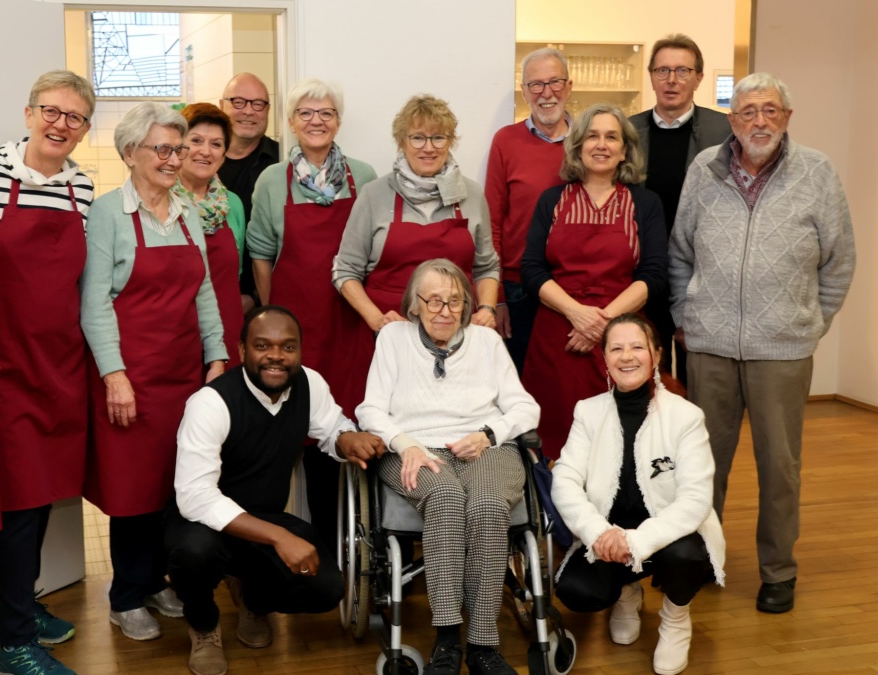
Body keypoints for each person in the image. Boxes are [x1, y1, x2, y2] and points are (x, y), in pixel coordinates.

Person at [669, 73, 855, 614]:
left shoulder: (817, 172)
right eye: (748, 111)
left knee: (780, 467)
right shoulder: (704, 168)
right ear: (732, 120)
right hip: (710, 346)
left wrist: (810, 324)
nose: (759, 121)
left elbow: (839, 260)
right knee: (704, 462)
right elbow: (680, 251)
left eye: (770, 110)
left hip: (784, 349)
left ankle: (778, 571)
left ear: (787, 117)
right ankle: (703, 556)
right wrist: (686, 314)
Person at [167, 305, 386, 675]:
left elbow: (332, 427)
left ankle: (252, 600)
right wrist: (279, 537)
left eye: (288, 347)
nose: (276, 357)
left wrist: (348, 440)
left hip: (265, 514)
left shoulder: (309, 383)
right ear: (241, 351)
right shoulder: (210, 403)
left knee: (326, 589)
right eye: (263, 346)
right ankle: (203, 626)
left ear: (299, 350)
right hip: (202, 522)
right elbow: (195, 497)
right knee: (193, 552)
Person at [0, 69, 96, 675]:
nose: (59, 124)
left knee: (42, 497)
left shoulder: (84, 190)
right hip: (5, 370)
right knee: (15, 507)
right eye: (51, 110)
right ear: (27, 113)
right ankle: (14, 644)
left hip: (60, 367)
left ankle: (23, 602)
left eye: (74, 117)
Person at [80, 101, 227, 641]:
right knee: (131, 491)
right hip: (132, 377)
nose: (173, 159)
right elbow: (94, 303)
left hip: (184, 375)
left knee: (175, 484)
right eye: (161, 149)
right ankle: (125, 594)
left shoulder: (188, 211)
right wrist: (114, 375)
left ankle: (158, 579)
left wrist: (217, 358)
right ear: (130, 154)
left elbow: (205, 291)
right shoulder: (108, 214)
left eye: (177, 148)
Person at [356, 259, 540, 675]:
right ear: (414, 305)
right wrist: (405, 444)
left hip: (483, 446)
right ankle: (446, 638)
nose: (444, 310)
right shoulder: (393, 338)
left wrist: (490, 434)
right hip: (413, 447)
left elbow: (526, 407)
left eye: (455, 301)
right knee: (445, 497)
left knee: (490, 505)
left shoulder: (486, 342)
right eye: (434, 301)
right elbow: (371, 409)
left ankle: (482, 645)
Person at [552, 313, 725, 675]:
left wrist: (636, 542)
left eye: (637, 347)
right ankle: (627, 592)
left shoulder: (686, 417)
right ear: (605, 358)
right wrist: (599, 534)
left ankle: (676, 618)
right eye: (616, 348)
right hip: (609, 530)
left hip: (668, 531)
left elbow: (695, 500)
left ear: (657, 355)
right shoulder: (588, 411)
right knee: (577, 591)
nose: (626, 356)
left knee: (687, 556)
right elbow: (565, 480)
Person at [247, 78, 377, 553]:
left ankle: (347, 546)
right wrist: (271, 315)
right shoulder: (271, 179)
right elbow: (261, 252)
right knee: (285, 437)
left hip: (348, 326)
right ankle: (278, 548)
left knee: (346, 434)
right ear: (291, 121)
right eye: (305, 112)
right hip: (291, 332)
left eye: (325, 113)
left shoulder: (364, 176)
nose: (316, 121)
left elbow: (373, 252)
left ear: (338, 121)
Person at [520, 103, 668, 460]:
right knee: (556, 440)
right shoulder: (552, 200)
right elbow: (531, 269)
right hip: (558, 337)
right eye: (592, 136)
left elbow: (655, 274)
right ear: (578, 146)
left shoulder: (644, 203)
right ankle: (555, 514)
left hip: (624, 339)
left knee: (620, 443)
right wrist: (577, 314)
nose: (601, 145)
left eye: (611, 137)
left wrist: (603, 323)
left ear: (624, 150)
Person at [334, 94, 500, 332]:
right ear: (402, 142)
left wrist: (486, 309)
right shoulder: (374, 194)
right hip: (386, 334)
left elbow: (487, 267)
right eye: (418, 138)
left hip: (454, 333)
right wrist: (376, 319)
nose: (429, 148)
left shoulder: (471, 194)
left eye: (438, 138)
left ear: (450, 141)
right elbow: (345, 270)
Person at [630, 34, 732, 387]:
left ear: (699, 77)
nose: (671, 80)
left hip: (702, 272)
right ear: (651, 75)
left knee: (700, 377)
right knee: (646, 369)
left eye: (682, 70)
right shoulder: (628, 132)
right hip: (644, 271)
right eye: (663, 70)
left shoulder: (725, 132)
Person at [485, 47, 572, 375]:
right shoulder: (505, 141)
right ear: (524, 91)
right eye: (536, 84)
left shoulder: (589, 142)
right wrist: (498, 298)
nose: (546, 93)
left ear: (570, 86)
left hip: (573, 286)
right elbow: (492, 222)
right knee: (519, 386)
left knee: (566, 385)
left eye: (555, 82)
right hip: (518, 289)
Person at [176, 102, 247, 368]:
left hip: (227, 335)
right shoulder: (160, 201)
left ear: (224, 154)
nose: (205, 151)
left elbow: (235, 273)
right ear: (178, 147)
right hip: (176, 337)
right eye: (196, 140)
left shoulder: (233, 205)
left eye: (216, 144)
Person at [218, 73, 280, 314]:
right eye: (239, 102)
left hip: (264, 301)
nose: (249, 111)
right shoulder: (197, 163)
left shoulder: (282, 162)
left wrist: (254, 297)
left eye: (258, 104)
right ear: (221, 106)